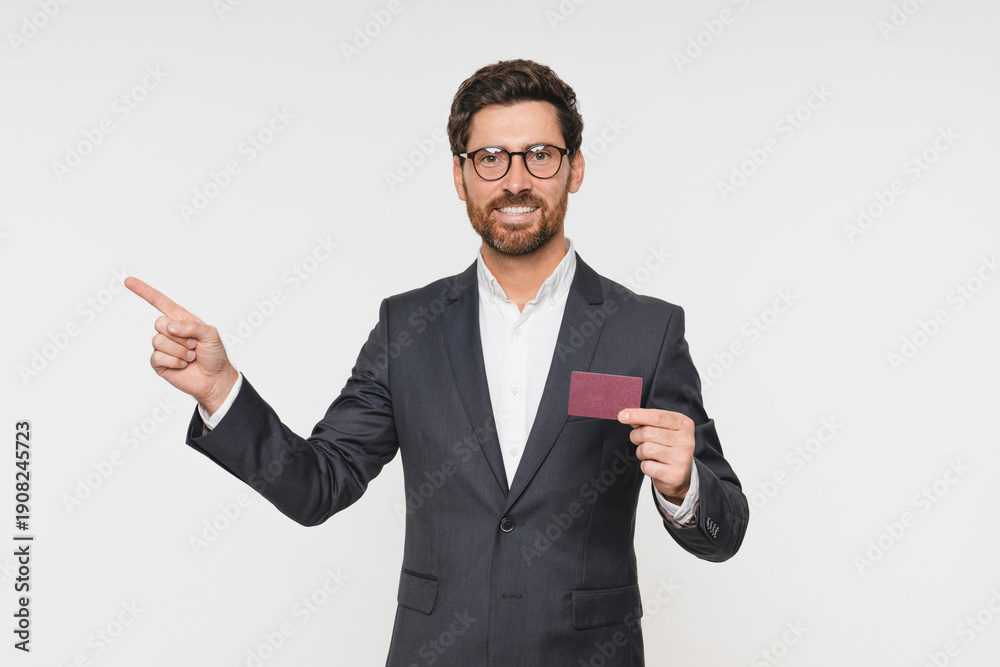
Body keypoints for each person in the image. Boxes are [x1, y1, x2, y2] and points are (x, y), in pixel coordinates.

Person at [126, 59, 748, 666]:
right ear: (460, 175)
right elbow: (317, 485)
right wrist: (220, 391)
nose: (515, 180)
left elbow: (728, 530)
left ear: (574, 168)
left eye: (540, 155)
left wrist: (683, 486)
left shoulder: (646, 329)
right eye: (490, 158)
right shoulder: (408, 328)